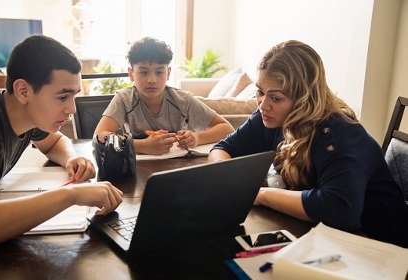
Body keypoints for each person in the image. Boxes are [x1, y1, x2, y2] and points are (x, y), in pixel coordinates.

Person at [208, 40, 408, 248]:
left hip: (381, 246)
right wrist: (229, 179)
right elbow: (223, 148)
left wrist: (260, 194)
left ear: (304, 98)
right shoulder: (269, 116)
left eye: (276, 98)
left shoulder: (339, 133)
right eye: (259, 92)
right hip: (327, 237)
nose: (263, 105)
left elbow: (340, 210)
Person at [0, 35, 123, 254]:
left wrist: (71, 158)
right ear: (23, 91)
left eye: (74, 96)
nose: (72, 109)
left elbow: (54, 143)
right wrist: (72, 195)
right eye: (62, 97)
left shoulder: (24, 113)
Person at [94, 37, 234, 155]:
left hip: (178, 166)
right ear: (131, 74)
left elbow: (226, 128)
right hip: (139, 167)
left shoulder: (182, 100)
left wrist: (197, 137)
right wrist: (143, 145)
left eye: (159, 72)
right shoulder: (124, 99)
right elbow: (99, 135)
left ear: (168, 73)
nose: (152, 80)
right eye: (144, 72)